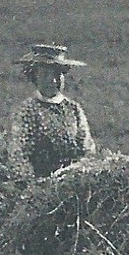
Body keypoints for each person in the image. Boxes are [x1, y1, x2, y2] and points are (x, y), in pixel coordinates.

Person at [8, 43, 96, 178]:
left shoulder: (74, 109)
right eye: (45, 75)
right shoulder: (27, 111)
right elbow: (18, 154)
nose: (53, 80)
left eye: (57, 74)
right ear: (34, 77)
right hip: (40, 184)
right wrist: (35, 185)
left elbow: (87, 151)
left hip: (72, 181)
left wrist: (75, 173)